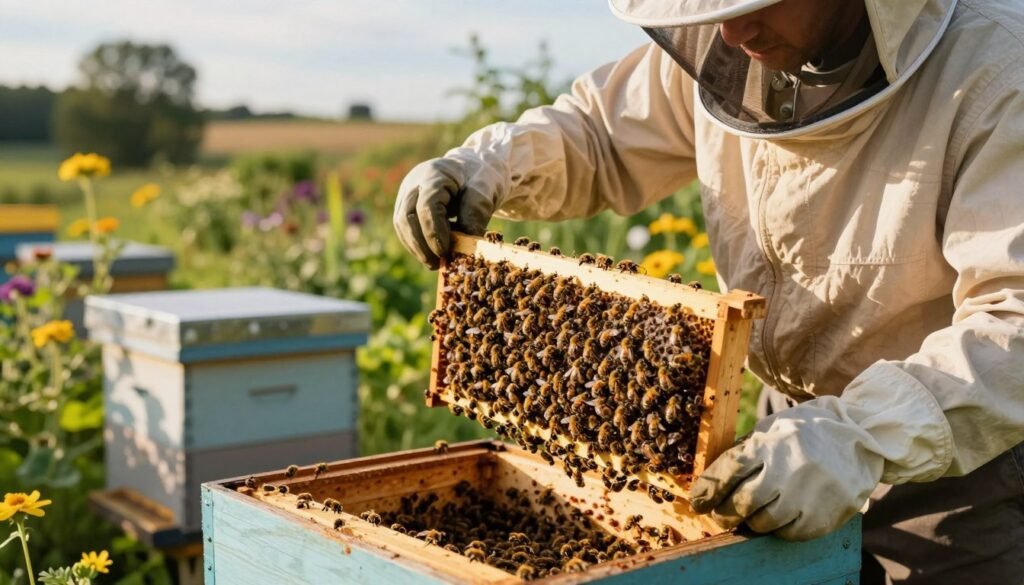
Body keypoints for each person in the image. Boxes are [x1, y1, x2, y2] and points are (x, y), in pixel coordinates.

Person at [394, 0, 1024, 581]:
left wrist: (859, 435)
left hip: (960, 457)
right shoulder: (734, 47)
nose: (730, 31)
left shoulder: (996, 69)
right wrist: (490, 163)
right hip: (783, 434)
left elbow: (1013, 321)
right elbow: (601, 134)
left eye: (750, 3)